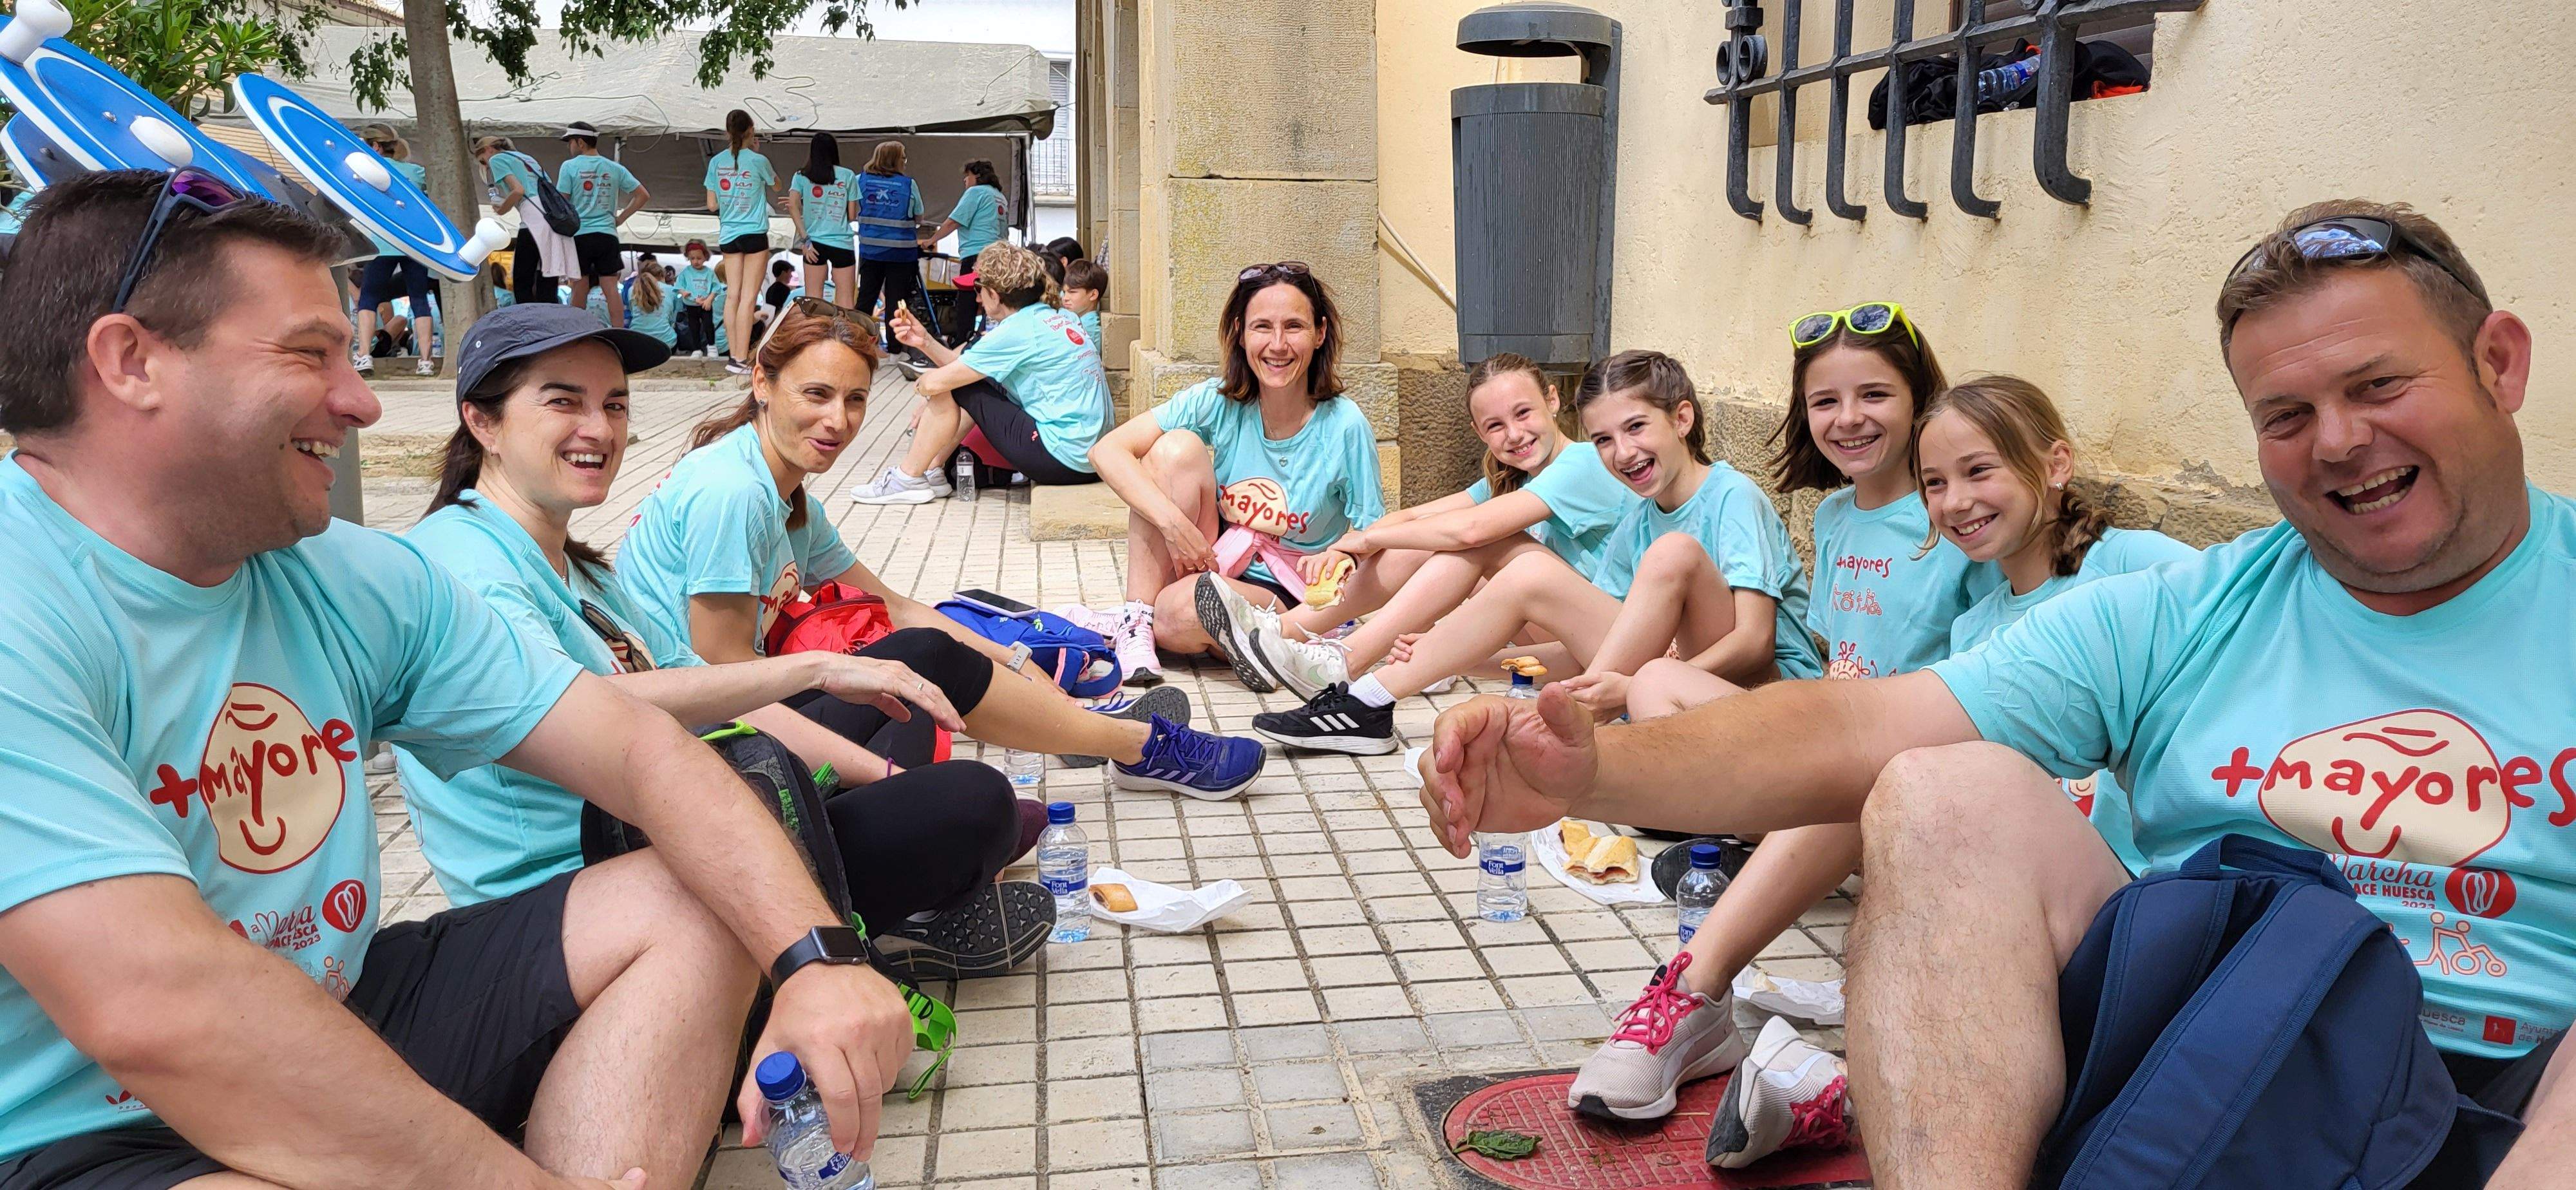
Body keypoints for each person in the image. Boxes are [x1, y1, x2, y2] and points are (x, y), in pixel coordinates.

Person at [1417, 199, 2575, 1187]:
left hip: (2513, 1096)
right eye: (2285, 415)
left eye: (2379, 384)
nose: (2338, 441)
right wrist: (1590, 769)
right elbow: (1861, 722)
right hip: (2217, 1063)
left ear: (2499, 363)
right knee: (1935, 788)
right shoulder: (2193, 609)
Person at [0, 167, 913, 1190]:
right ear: (131, 361)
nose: (362, 400)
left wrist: (819, 961)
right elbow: (158, 1006)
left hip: (331, 1007)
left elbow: (640, 748)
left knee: (705, 888)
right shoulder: (20, 597)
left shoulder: (351, 574)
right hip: (75, 1125)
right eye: (311, 355)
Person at [1564, 373, 2199, 1167]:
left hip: (2147, 912)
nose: (1955, 501)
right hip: (2021, 913)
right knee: (1884, 763)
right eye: (1936, 483)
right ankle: (1693, 997)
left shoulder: (2146, 569)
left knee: (1901, 763)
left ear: (2057, 465)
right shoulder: (1978, 622)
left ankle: (1825, 1094)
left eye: (1980, 472)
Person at [401, 301, 1080, 979]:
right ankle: (872, 935)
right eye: (563, 402)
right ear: (482, 420)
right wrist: (817, 673)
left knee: (915, 705)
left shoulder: (582, 569)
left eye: (614, 405)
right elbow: (594, 705)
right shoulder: (466, 563)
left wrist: (887, 762)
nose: (598, 429)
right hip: (587, 893)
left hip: (685, 821)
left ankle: (882, 919)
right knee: (969, 802)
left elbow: (716, 690)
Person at [614, 299, 1267, 800]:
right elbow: (727, 683)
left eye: (855, 399)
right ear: (762, 382)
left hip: (738, 719)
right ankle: (1134, 746)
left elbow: (895, 606)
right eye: (814, 395)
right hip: (701, 745)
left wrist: (1016, 660)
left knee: (924, 678)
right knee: (923, 689)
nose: (837, 421)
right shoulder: (733, 493)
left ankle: (1096, 735)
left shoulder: (783, 495)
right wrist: (884, 774)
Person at [1246, 350, 1814, 754]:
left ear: (1683, 418)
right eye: (1605, 440)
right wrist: (1463, 658)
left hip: (1759, 692)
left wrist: (1648, 683)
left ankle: (1344, 667)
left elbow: (1754, 643)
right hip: (1661, 677)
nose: (1622, 452)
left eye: (1637, 427)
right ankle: (1364, 698)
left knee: (1661, 554)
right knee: (1518, 571)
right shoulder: (1642, 513)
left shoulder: (1731, 495)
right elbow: (1600, 653)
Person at [1217, 352, 1638, 699]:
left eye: (1523, 413)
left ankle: (1345, 657)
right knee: (1438, 535)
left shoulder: (1581, 463)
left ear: (1552, 400)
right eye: (1495, 426)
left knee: (1477, 538)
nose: (1514, 434)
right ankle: (1281, 636)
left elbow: (1469, 532)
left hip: (1613, 642)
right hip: (1563, 644)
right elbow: (1418, 517)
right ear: (1478, 432)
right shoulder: (1516, 478)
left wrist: (1369, 538)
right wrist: (1353, 541)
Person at [1088, 263, 1383, 686]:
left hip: (1287, 592)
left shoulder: (1345, 426)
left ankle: (1267, 639)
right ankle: (1140, 623)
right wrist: (1174, 526)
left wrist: (1349, 565)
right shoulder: (1219, 400)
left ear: (1319, 334)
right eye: (1262, 327)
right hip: (1215, 561)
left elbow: (1375, 534)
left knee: (1179, 613)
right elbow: (1107, 450)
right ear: (1241, 333)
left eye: (1294, 327)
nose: (1278, 345)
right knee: (1175, 449)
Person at [851, 243, 1109, 503]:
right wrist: (925, 342)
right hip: (1092, 457)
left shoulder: (1017, 330)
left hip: (1062, 459)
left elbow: (946, 379)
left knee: (957, 385)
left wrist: (922, 385)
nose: (976, 298)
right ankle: (932, 472)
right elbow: (965, 365)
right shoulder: (1057, 317)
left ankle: (908, 477)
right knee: (968, 381)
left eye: (979, 290)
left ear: (995, 295)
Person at [350, 127, 439, 377]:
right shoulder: (417, 172)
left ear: (376, 146)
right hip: (414, 243)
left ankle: (364, 355)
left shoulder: (369, 171)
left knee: (368, 298)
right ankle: (425, 361)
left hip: (383, 242)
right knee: (419, 300)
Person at [554, 120, 647, 335]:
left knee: (579, 286)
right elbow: (643, 195)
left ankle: (574, 335)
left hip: (580, 235)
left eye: (570, 142)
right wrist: (621, 218)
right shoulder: (614, 168)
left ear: (580, 142)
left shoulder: (569, 167)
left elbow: (562, 202)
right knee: (611, 288)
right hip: (607, 234)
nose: (570, 147)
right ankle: (620, 335)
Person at [706, 109, 781, 376]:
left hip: (728, 234)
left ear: (727, 132)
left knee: (733, 296)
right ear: (751, 130)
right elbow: (777, 187)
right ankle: (743, 358)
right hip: (755, 233)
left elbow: (711, 204)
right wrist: (754, 151)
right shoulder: (759, 160)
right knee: (750, 297)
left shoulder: (716, 163)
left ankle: (733, 358)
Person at [853, 140, 932, 358]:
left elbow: (852, 211)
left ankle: (857, 345)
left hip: (871, 251)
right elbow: (919, 217)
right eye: (904, 157)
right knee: (898, 301)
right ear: (897, 160)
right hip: (901, 253)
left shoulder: (860, 181)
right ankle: (896, 348)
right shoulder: (908, 185)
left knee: (866, 299)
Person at [474, 134, 553, 305]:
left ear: (488, 150)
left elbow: (518, 190)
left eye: (483, 162)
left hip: (532, 220)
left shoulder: (497, 160)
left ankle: (528, 323)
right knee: (547, 277)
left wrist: (504, 208)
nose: (486, 168)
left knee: (522, 280)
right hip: (551, 218)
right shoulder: (526, 158)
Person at [792, 133, 860, 310]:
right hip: (842, 243)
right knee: (846, 300)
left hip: (813, 244)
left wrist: (805, 238)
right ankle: (843, 338)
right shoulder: (848, 176)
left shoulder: (801, 176)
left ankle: (814, 338)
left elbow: (793, 207)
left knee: (813, 299)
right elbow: (852, 216)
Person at [672, 239, 720, 355]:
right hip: (691, 305)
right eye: (692, 259)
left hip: (705, 305)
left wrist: (709, 300)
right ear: (688, 258)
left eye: (699, 258)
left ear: (705, 257)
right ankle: (696, 349)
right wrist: (683, 292)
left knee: (709, 325)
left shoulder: (709, 273)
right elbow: (678, 286)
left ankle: (712, 346)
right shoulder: (686, 272)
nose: (696, 261)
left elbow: (716, 287)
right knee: (694, 327)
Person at [622, 261, 677, 348]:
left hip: (636, 340)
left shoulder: (632, 290)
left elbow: (632, 312)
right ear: (661, 275)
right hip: (666, 343)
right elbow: (674, 317)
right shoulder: (671, 290)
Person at [1063, 258, 1108, 352]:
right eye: (1064, 292)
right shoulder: (1079, 321)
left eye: (1072, 292)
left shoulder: (1088, 330)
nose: (1065, 298)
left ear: (1093, 295)